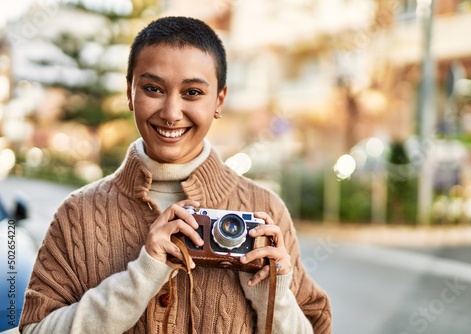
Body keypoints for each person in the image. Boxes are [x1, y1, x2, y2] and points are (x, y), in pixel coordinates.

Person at [19, 16, 332, 333]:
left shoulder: (265, 210)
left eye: (193, 92)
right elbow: (32, 329)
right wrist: (142, 275)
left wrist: (272, 299)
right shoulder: (78, 215)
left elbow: (316, 326)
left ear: (219, 100)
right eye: (153, 88)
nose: (170, 113)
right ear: (130, 93)